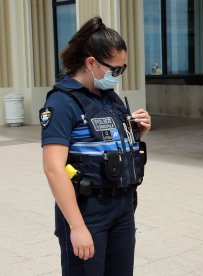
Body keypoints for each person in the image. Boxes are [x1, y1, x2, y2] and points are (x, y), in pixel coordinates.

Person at [40, 17, 151, 276]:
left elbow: (111, 145)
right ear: (91, 63)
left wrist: (137, 131)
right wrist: (77, 227)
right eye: (115, 69)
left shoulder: (110, 99)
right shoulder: (62, 102)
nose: (118, 76)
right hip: (88, 211)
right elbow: (54, 168)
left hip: (122, 207)